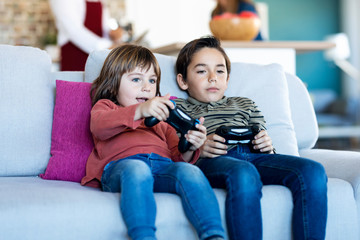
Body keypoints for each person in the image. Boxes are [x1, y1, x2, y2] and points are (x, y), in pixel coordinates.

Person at [173, 36, 327, 240]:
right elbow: (174, 149)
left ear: (227, 79)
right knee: (243, 172)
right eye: (202, 71)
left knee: (313, 170)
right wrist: (198, 147)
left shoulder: (245, 104)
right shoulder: (179, 109)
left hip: (257, 157)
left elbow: (263, 136)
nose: (213, 77)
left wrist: (267, 145)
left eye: (220, 71)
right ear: (182, 81)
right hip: (214, 161)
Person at [81, 44, 225, 240]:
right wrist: (140, 111)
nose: (146, 87)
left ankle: (214, 234)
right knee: (137, 169)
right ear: (113, 85)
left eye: (152, 80)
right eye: (136, 79)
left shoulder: (161, 122)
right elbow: (100, 126)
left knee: (190, 171)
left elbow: (177, 156)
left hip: (161, 168)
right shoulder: (106, 107)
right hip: (121, 169)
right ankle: (144, 236)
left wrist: (190, 145)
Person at [49, 0, 123, 71]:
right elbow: (73, 30)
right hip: (75, 59)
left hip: (99, 60)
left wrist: (111, 34)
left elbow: (104, 26)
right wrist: (107, 47)